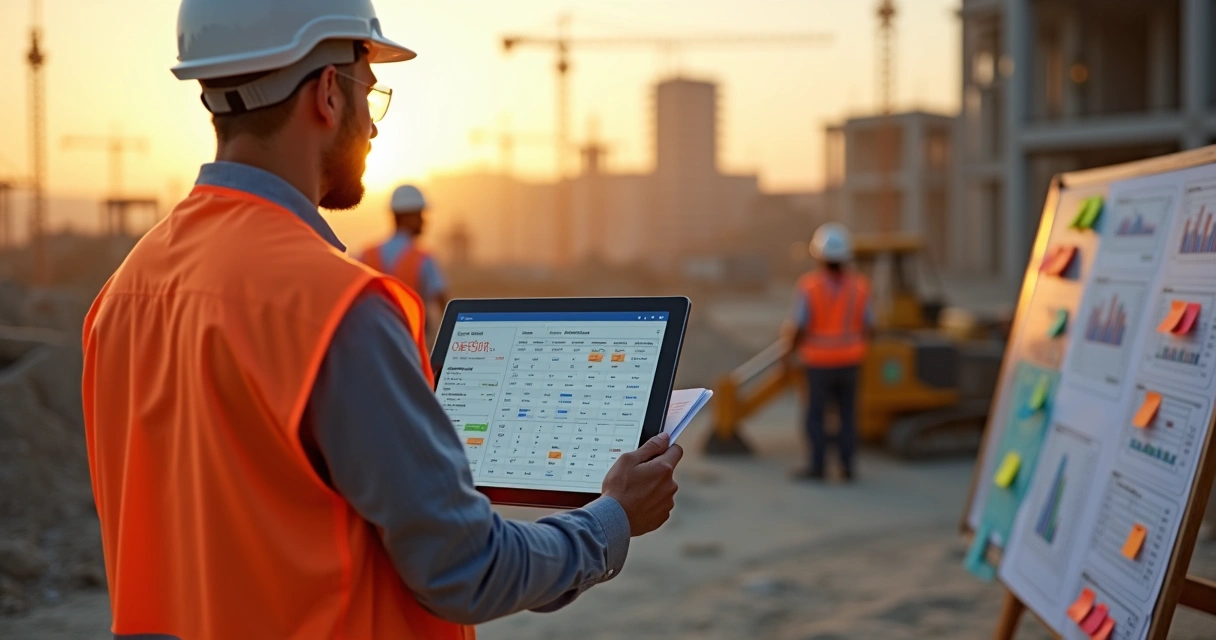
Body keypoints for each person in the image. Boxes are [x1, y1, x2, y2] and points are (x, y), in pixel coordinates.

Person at [81, 2, 683, 638]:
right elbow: (467, 569)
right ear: (326, 95)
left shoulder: (123, 292)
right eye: (370, 93)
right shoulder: (338, 308)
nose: (372, 127)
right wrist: (611, 518)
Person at [786, 222, 872, 482]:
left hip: (819, 363)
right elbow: (870, 325)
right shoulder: (860, 286)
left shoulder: (809, 286)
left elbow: (799, 326)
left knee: (816, 416)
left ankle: (818, 467)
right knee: (847, 416)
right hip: (851, 362)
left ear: (818, 255)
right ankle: (847, 468)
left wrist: (788, 355)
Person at [358, 184, 448, 342]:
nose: (424, 221)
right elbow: (443, 304)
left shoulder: (366, 255)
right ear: (406, 216)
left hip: (370, 342)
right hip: (409, 344)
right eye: (419, 214)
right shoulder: (423, 258)